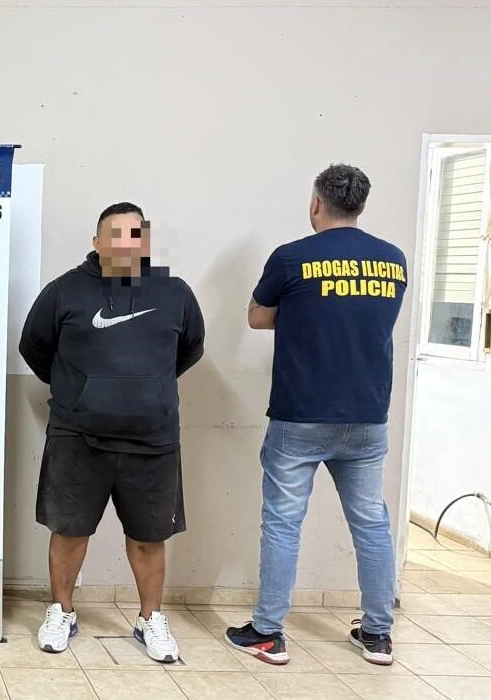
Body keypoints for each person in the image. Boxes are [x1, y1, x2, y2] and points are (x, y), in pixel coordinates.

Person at [227, 164, 406, 667]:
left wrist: (304, 311)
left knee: (283, 524)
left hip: (301, 414)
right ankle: (377, 635)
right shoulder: (393, 260)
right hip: (368, 415)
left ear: (316, 204)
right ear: (361, 206)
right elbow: (369, 319)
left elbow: (257, 316)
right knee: (371, 524)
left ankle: (268, 633)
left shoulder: (291, 257)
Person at [19, 202, 205, 662]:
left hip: (153, 441)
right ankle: (62, 611)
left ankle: (149, 619)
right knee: (69, 531)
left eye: (135, 234)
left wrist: (146, 392)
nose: (126, 243)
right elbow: (34, 347)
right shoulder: (63, 291)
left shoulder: (176, 293)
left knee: (149, 537)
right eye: (115, 234)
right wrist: (78, 392)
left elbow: (189, 350)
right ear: (97, 242)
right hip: (77, 438)